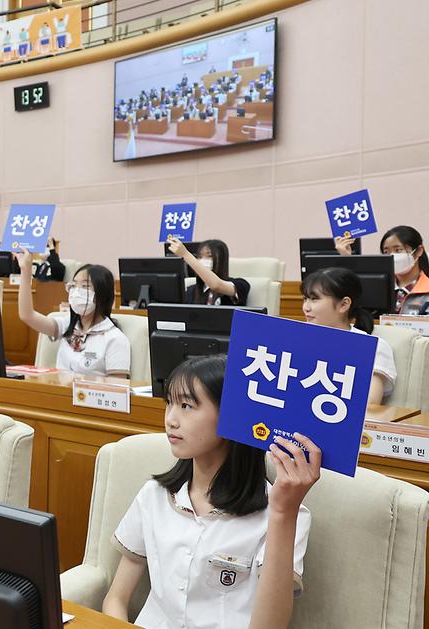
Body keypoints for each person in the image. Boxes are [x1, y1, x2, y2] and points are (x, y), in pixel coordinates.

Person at [102, 355, 320, 629]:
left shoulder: (286, 514)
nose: (171, 419)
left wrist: (282, 514)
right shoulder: (154, 495)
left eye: (186, 406)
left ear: (232, 416)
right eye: (169, 403)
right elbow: (115, 600)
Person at [16, 249, 130, 377]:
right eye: (74, 285)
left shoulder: (115, 339)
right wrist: (25, 271)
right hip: (59, 393)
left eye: (85, 286)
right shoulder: (67, 325)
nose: (76, 292)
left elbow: (117, 389)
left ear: (102, 294)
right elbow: (27, 315)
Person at [301, 267, 397, 405]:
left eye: (314, 299)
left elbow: (370, 404)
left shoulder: (372, 347)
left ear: (344, 304)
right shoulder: (297, 339)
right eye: (305, 299)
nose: (306, 307)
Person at [336, 225, 429, 314]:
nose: (392, 256)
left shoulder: (426, 288)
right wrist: (347, 258)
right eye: (386, 252)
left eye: (398, 250)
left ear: (419, 251)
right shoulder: (379, 287)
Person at [168, 237, 251, 306]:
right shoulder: (191, 291)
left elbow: (216, 285)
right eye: (200, 257)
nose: (203, 261)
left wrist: (185, 255)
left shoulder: (241, 285)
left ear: (222, 260)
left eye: (209, 256)